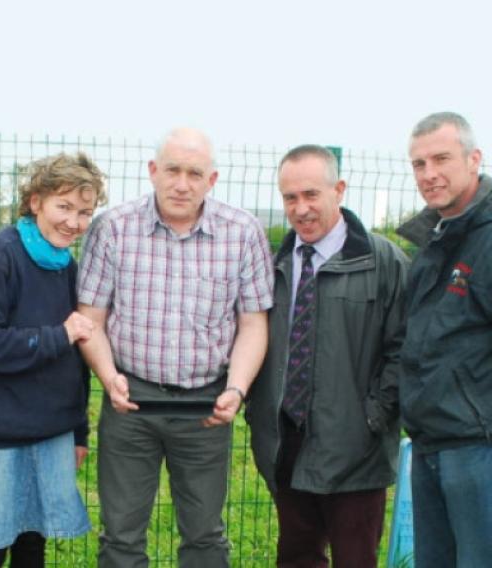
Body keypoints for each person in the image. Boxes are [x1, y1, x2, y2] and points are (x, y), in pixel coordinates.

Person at [77, 127, 273, 568]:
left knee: (205, 536)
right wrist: (110, 379)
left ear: (212, 179)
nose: (182, 183)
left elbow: (253, 323)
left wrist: (237, 389)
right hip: (130, 404)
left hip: (206, 407)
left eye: (194, 173)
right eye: (172, 170)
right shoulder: (113, 229)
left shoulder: (243, 233)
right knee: (121, 536)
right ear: (152, 171)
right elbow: (91, 318)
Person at [0, 152, 106, 568]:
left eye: (85, 212)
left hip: (49, 432)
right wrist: (57, 335)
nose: (73, 222)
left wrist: (78, 431)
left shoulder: (67, 266)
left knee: (33, 544)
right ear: (35, 202)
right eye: (63, 207)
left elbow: (75, 358)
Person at [246, 145, 409, 567]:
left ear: (339, 189)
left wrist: (375, 415)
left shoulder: (383, 261)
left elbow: (406, 348)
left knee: (355, 559)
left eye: (311, 194)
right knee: (297, 556)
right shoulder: (272, 264)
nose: (300, 209)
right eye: (290, 198)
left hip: (356, 447)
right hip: (287, 443)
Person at [396, 112, 492, 567]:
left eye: (441, 159)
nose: (429, 174)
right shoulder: (433, 241)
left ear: (474, 159)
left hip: (479, 449)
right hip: (430, 442)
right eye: (419, 164)